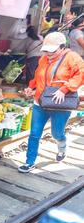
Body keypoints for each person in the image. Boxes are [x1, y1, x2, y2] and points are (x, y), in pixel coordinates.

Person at [18, 32, 84, 173]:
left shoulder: (73, 58)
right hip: (40, 102)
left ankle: (62, 147)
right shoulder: (44, 59)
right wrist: (31, 87)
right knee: (34, 134)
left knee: (57, 133)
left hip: (61, 105)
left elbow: (80, 75)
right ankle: (29, 162)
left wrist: (65, 89)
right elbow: (38, 75)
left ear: (62, 47)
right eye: (46, 50)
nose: (48, 54)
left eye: (51, 51)